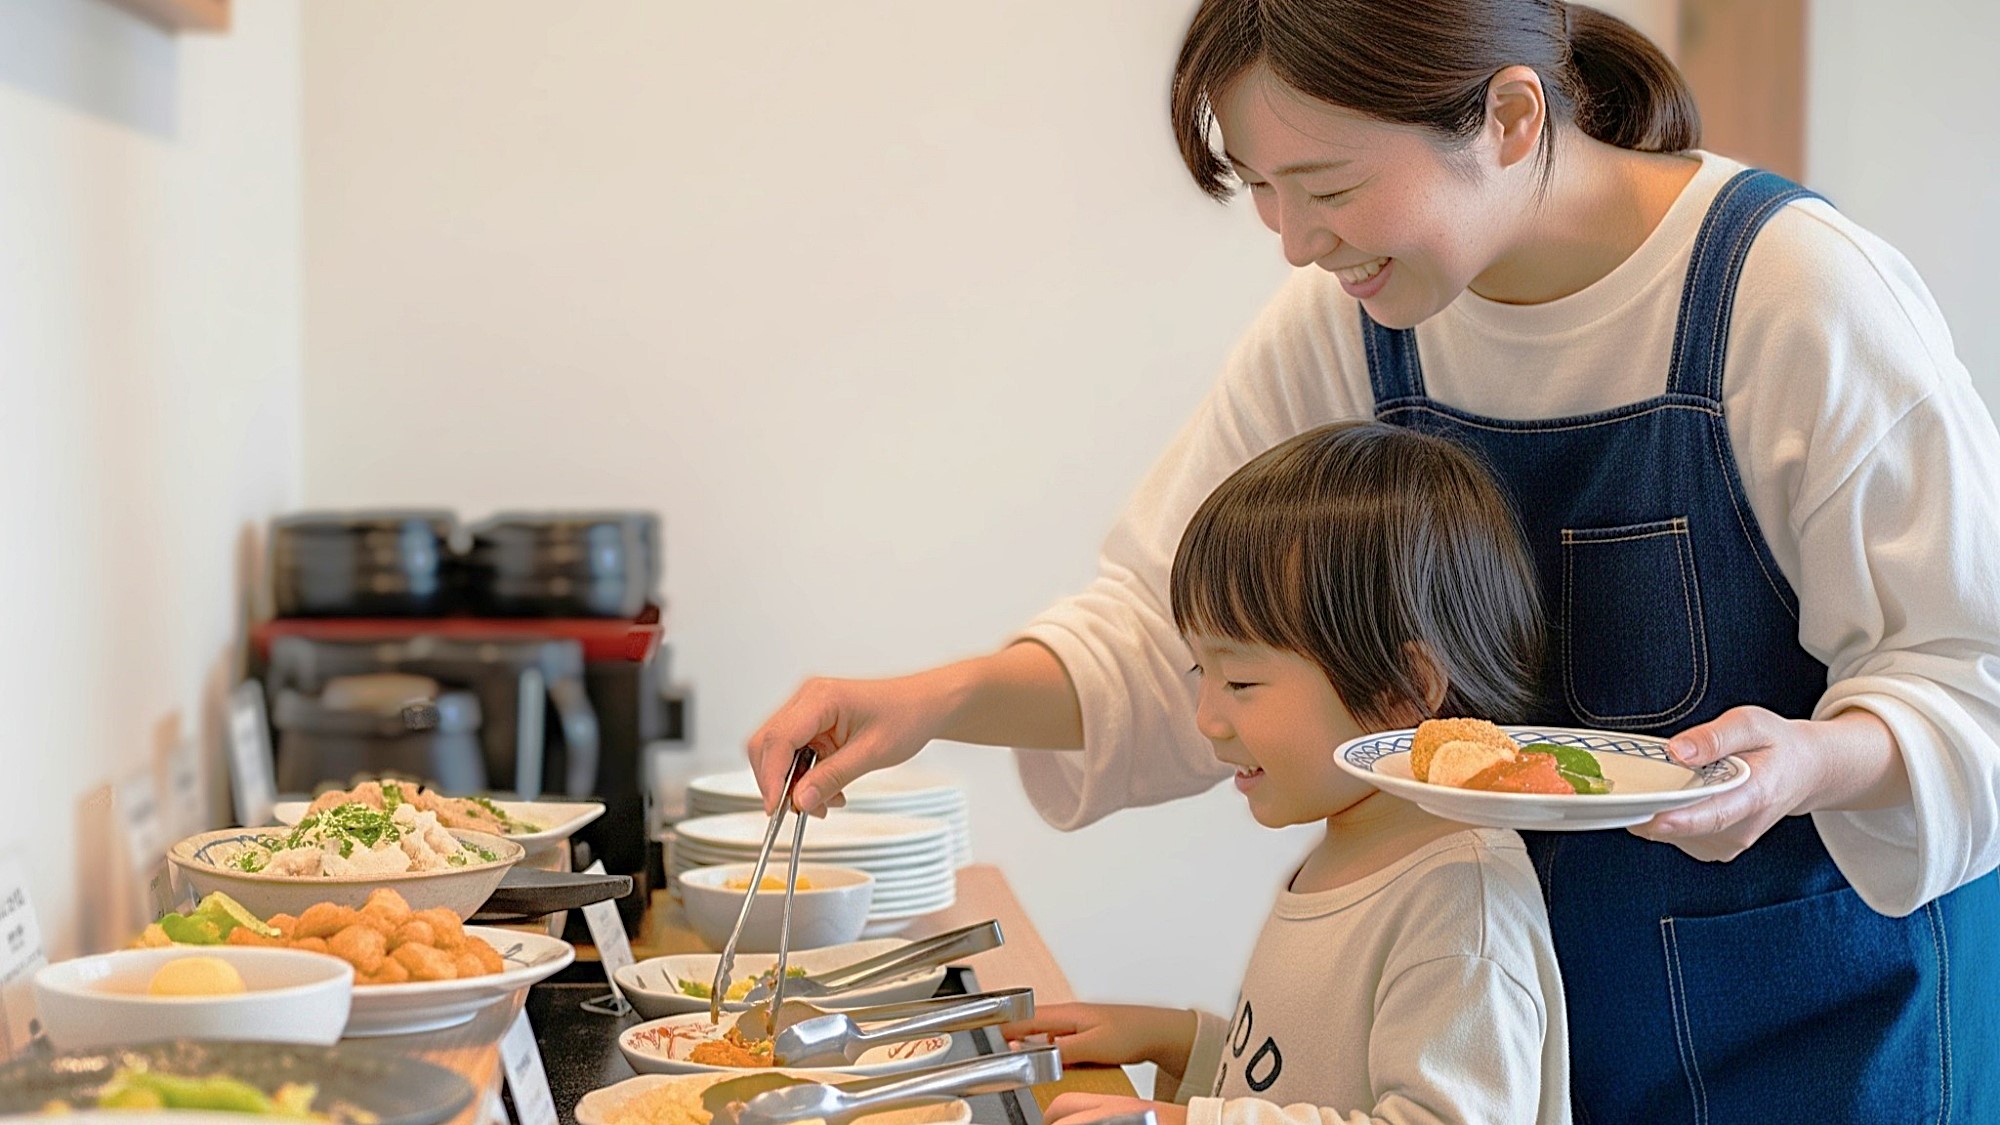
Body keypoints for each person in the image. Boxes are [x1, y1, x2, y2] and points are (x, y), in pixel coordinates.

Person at [749, 2, 2000, 1118]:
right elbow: (1169, 631)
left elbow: (1969, 678)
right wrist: (934, 701)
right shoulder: (1348, 319)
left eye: (1328, 185)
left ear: (1509, 118)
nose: (1296, 241)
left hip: (1811, 1034)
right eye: (1262, 189)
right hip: (1496, 1036)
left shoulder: (1793, 295)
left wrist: (1804, 761)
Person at [1003, 419, 1570, 1125]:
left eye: (1239, 681)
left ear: (1404, 687)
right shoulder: (1350, 848)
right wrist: (1176, 1040)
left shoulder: (1460, 907)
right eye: (1200, 672)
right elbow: (1305, 1081)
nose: (1207, 718)